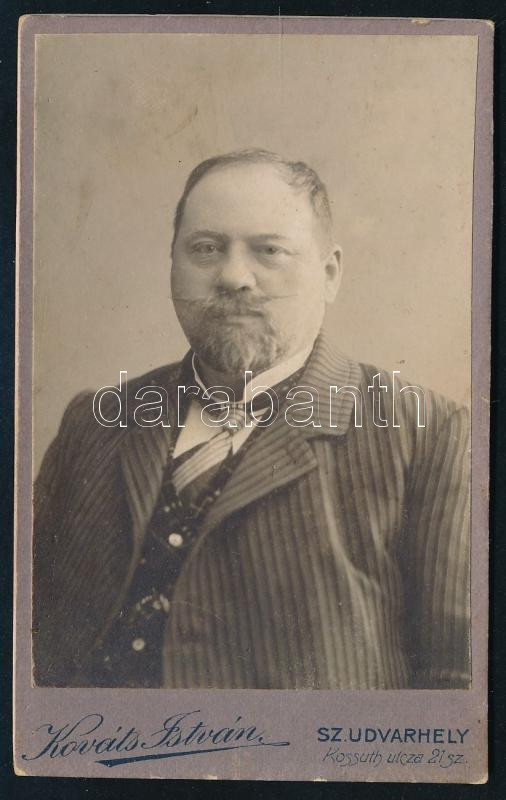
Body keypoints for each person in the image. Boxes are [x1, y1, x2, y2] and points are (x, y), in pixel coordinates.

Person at [33, 148, 470, 690]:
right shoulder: (95, 423)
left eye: (269, 250)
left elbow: (459, 688)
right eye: (206, 248)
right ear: (172, 266)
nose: (234, 277)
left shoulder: (428, 435)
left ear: (330, 274)